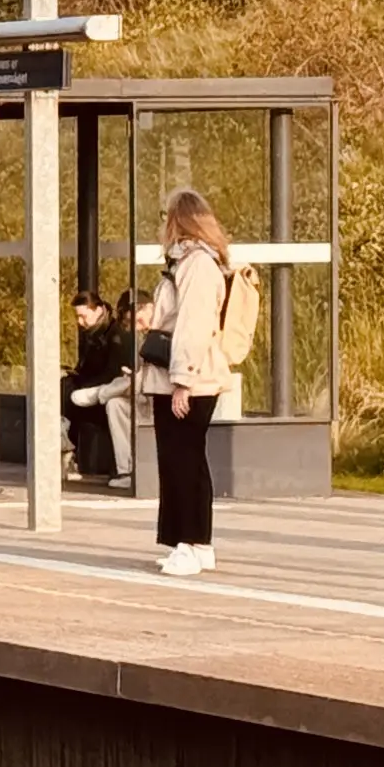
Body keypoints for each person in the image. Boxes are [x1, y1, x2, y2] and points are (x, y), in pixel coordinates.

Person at [140, 192, 240, 576]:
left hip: (186, 379)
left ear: (178, 220)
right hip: (191, 376)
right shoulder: (196, 262)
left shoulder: (196, 264)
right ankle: (197, 544)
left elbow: (193, 326)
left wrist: (182, 381)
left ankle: (187, 544)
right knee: (190, 460)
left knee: (180, 460)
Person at [62, 290, 128, 480]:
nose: (80, 322)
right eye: (78, 317)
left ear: (98, 310)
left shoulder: (116, 335)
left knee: (69, 395)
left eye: (83, 316)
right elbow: (84, 368)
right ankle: (65, 443)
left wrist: (83, 386)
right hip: (91, 388)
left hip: (107, 390)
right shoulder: (92, 334)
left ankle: (67, 446)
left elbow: (112, 372)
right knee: (65, 386)